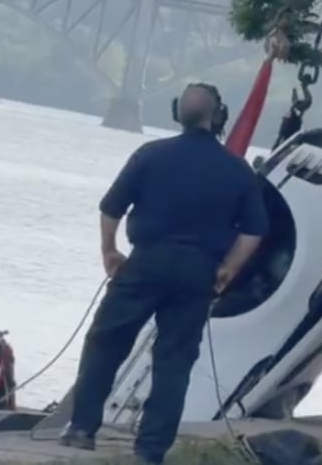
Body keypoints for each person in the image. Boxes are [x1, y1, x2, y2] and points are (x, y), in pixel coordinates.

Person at [59, 83, 269, 465]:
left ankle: (82, 429)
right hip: (197, 271)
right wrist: (228, 269)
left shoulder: (150, 155)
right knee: (174, 359)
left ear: (177, 113)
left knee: (105, 343)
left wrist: (109, 249)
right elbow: (254, 231)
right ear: (217, 116)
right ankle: (150, 448)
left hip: (146, 261)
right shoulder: (237, 170)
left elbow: (111, 208)